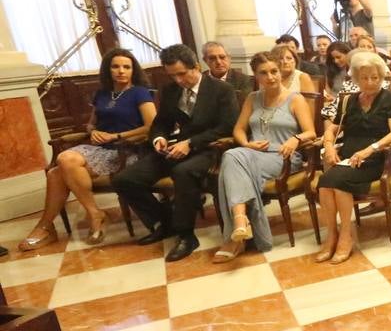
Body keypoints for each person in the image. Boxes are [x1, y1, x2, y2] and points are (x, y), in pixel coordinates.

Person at [18, 47, 156, 250]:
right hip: (101, 149)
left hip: (128, 151)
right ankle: (90, 214)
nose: (121, 71)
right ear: (108, 70)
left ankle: (48, 226)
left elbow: (151, 126)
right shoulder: (102, 94)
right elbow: (91, 123)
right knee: (59, 169)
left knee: (61, 165)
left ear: (133, 70)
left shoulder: (139, 93)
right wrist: (92, 131)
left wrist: (116, 136)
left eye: (126, 67)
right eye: (115, 66)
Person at [112, 44, 240, 262]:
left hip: (210, 149)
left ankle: (187, 235)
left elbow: (227, 127)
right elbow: (160, 123)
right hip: (177, 147)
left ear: (196, 67)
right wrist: (159, 139)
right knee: (125, 179)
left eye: (182, 74)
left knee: (183, 172)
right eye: (173, 76)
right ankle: (165, 222)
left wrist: (190, 143)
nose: (179, 80)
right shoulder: (170, 91)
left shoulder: (221, 90)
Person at [214, 51, 317, 261]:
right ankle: (241, 226)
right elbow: (238, 130)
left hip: (283, 156)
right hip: (252, 153)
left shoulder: (295, 99)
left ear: (280, 71)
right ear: (256, 76)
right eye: (264, 73)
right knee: (234, 157)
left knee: (231, 159)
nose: (270, 77)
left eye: (274, 71)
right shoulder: (253, 98)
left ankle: (237, 231)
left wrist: (296, 139)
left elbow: (311, 132)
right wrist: (247, 143)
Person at [315, 51, 391, 263]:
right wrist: (329, 147)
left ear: (382, 77)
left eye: (375, 77)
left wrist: (369, 149)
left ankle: (345, 235)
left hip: (378, 158)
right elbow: (332, 128)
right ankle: (332, 235)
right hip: (349, 158)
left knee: (337, 181)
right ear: (356, 78)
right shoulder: (349, 101)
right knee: (324, 183)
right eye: (364, 78)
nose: (370, 82)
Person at [321, 41, 357, 121]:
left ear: (348, 54)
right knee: (325, 109)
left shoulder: (354, 71)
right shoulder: (331, 71)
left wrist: (335, 99)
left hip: (346, 105)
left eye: (338, 57)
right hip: (332, 104)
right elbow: (328, 92)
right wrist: (328, 97)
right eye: (333, 59)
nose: (335, 61)